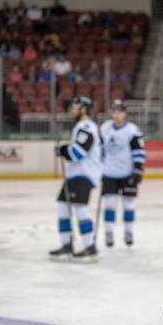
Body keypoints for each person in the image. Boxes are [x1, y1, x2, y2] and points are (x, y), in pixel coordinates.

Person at [50, 97, 102, 259]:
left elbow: (77, 153)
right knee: (62, 207)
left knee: (80, 209)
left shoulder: (87, 127)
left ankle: (89, 246)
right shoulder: (80, 126)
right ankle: (66, 245)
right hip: (75, 175)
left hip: (84, 174)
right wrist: (66, 150)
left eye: (75, 107)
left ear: (84, 109)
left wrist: (63, 150)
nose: (72, 110)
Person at [100, 100, 145, 247]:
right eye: (114, 111)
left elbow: (138, 151)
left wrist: (138, 169)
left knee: (128, 205)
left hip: (127, 173)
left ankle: (128, 231)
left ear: (125, 113)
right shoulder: (105, 128)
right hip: (109, 173)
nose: (117, 114)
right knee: (110, 205)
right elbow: (99, 150)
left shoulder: (133, 130)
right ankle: (109, 233)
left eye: (119, 111)